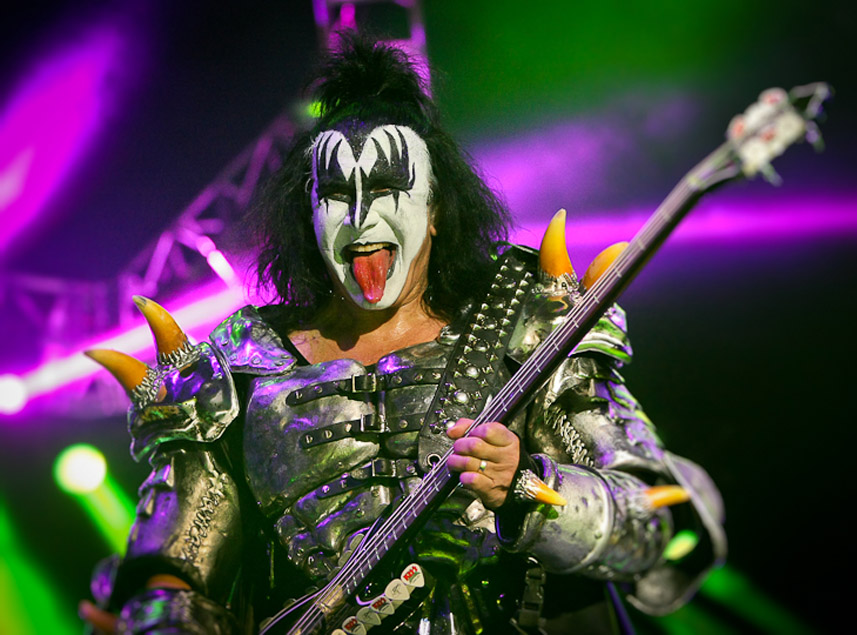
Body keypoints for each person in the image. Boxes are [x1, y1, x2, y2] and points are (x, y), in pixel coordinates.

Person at [80, 35, 725, 634]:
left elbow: (655, 524)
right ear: (309, 216)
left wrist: (526, 488)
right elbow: (175, 571)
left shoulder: (529, 320)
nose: (361, 216)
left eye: (388, 186)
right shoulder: (239, 365)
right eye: (336, 194)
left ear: (436, 210)